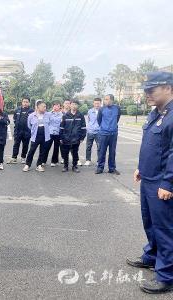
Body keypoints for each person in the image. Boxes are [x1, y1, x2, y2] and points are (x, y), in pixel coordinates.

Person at [126, 72, 173, 294]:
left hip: (163, 183)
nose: (146, 94)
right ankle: (152, 256)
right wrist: (141, 168)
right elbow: (152, 144)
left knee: (165, 229)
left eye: (151, 90)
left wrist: (169, 183)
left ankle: (166, 275)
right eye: (145, 90)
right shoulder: (156, 113)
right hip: (149, 177)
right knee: (150, 222)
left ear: (168, 88)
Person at [96, 94, 121, 175]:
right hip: (103, 133)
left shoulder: (117, 108)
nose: (105, 101)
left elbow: (117, 119)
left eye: (107, 99)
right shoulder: (101, 109)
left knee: (112, 152)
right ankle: (100, 168)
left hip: (113, 134)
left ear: (111, 100)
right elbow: (99, 120)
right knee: (101, 151)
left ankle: (112, 168)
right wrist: (104, 127)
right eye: (105, 99)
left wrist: (112, 126)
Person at [23, 100, 51, 172]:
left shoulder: (48, 115)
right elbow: (29, 125)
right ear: (38, 107)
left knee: (42, 151)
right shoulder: (31, 116)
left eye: (45, 106)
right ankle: (27, 165)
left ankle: (39, 165)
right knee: (31, 150)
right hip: (35, 135)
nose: (45, 108)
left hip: (45, 135)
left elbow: (50, 124)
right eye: (43, 106)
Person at [60, 100, 86, 173]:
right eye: (73, 104)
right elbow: (61, 127)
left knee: (75, 153)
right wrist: (61, 138)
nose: (74, 106)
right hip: (66, 138)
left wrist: (82, 137)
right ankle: (65, 166)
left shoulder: (80, 115)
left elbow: (83, 127)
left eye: (76, 104)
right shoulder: (65, 115)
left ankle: (75, 166)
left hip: (76, 138)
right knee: (65, 153)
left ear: (77, 106)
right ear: (70, 105)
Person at [8, 97, 34, 164]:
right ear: (22, 102)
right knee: (16, 144)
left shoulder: (31, 111)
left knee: (25, 145)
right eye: (24, 102)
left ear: (29, 103)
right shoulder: (17, 110)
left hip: (27, 131)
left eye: (27, 102)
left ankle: (23, 157)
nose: (25, 103)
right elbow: (14, 119)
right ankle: (14, 158)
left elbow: (33, 121)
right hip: (18, 130)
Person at [44, 100, 63, 167]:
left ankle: (54, 161)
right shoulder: (48, 114)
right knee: (46, 147)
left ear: (60, 107)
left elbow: (62, 124)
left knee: (56, 148)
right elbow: (46, 123)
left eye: (57, 106)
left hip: (58, 133)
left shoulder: (62, 115)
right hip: (50, 132)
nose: (56, 107)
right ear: (53, 106)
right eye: (54, 105)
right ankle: (43, 161)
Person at [85, 98, 101, 166]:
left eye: (98, 103)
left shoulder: (102, 111)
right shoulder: (90, 111)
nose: (97, 105)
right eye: (95, 103)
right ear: (93, 103)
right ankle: (88, 160)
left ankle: (99, 161)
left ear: (100, 103)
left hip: (99, 132)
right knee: (88, 146)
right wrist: (89, 127)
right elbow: (89, 120)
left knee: (99, 147)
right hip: (90, 131)